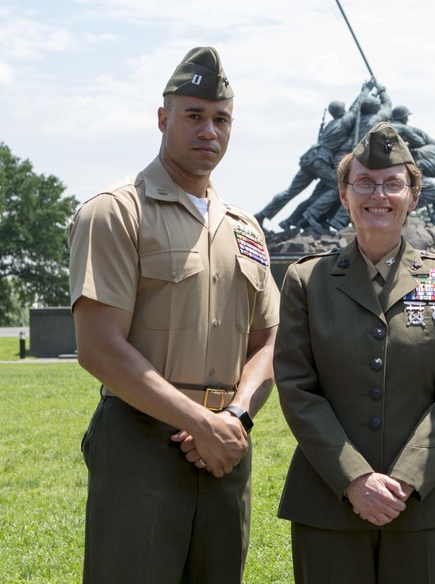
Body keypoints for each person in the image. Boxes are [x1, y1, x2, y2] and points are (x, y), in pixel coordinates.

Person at [68, 46, 280, 583]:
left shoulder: (245, 229)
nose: (209, 130)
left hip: (226, 448)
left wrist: (233, 418)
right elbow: (98, 347)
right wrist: (197, 422)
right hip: (141, 440)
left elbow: (271, 341)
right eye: (193, 116)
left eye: (221, 119)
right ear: (163, 119)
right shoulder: (116, 211)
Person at [273, 122, 435, 583]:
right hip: (328, 502)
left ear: (414, 196)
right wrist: (353, 478)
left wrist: (406, 478)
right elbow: (296, 388)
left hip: (426, 503)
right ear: (344, 195)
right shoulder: (307, 282)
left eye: (393, 184)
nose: (378, 195)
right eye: (364, 183)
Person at [259, 80, 376, 227]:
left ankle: (262, 214)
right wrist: (366, 89)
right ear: (342, 111)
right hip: (320, 160)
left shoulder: (330, 124)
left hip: (310, 157)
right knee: (340, 186)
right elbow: (356, 106)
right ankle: (311, 215)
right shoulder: (344, 121)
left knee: (290, 192)